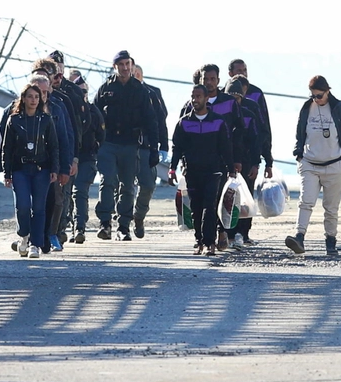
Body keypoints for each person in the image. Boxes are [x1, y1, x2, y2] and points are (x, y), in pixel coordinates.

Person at [93, 50, 159, 241]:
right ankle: (105, 222)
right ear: (115, 67)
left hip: (130, 144)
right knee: (107, 181)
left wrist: (154, 148)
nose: (124, 68)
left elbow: (151, 120)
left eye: (127, 64)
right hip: (108, 143)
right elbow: (94, 117)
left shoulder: (140, 90)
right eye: (120, 64)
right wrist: (95, 142)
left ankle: (123, 226)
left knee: (128, 185)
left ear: (131, 65)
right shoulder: (105, 89)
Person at [288, 76, 341, 256]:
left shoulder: (340, 109)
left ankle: (331, 240)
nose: (316, 99)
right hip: (310, 163)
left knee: (331, 207)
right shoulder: (307, 108)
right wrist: (299, 154)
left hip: (334, 164)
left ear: (327, 91)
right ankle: (299, 236)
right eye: (313, 96)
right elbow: (299, 132)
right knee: (306, 201)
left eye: (319, 96)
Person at [170, 85, 236, 255]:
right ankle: (199, 240)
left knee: (209, 205)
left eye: (198, 96)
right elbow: (177, 148)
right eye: (193, 96)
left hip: (213, 172)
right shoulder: (184, 122)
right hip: (191, 171)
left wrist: (231, 168)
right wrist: (172, 169)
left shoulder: (218, 121)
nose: (195, 100)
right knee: (196, 207)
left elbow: (225, 147)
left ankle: (209, 243)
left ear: (206, 99)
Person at [2, 83, 61, 259]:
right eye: (30, 97)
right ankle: (23, 235)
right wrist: (6, 173)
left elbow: (54, 147)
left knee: (39, 207)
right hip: (20, 169)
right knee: (23, 206)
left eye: (36, 97)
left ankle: (36, 244)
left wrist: (55, 169)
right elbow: (7, 148)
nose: (33, 100)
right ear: (23, 99)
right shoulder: (14, 120)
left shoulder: (45, 120)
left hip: (41, 169)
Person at [226, 59, 274, 246]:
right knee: (229, 196)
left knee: (247, 196)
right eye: (239, 70)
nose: (242, 73)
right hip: (228, 156)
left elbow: (263, 130)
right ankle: (227, 233)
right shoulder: (224, 96)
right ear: (230, 73)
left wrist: (265, 159)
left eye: (245, 70)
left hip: (248, 156)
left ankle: (244, 234)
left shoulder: (255, 96)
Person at [28, 72, 75, 251]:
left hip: (50, 163)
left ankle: (47, 235)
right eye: (38, 92)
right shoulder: (17, 110)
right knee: (27, 203)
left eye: (45, 92)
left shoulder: (57, 108)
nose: (41, 97)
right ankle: (28, 235)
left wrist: (66, 165)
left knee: (53, 200)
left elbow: (66, 137)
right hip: (25, 164)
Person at [65, 68, 104, 243]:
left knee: (80, 192)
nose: (81, 94)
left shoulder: (94, 111)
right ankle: (66, 226)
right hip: (68, 157)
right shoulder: (66, 110)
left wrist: (95, 151)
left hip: (87, 157)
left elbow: (102, 136)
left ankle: (79, 227)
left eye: (84, 91)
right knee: (66, 194)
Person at [131, 65, 169, 238]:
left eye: (136, 74)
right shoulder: (116, 92)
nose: (134, 76)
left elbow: (161, 120)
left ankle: (138, 216)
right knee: (122, 186)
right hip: (125, 146)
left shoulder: (152, 93)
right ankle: (123, 223)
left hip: (146, 147)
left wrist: (163, 147)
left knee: (148, 184)